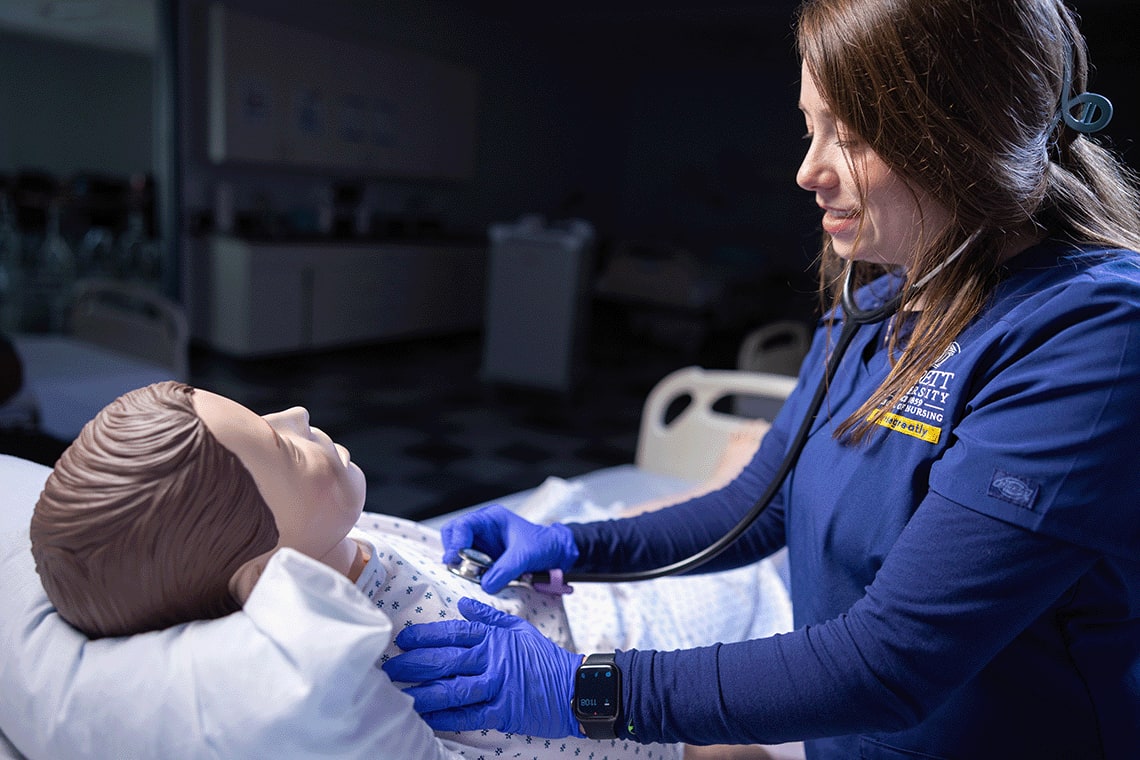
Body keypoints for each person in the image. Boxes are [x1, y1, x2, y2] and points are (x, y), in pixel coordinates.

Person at [381, 1, 1140, 758]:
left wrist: (581, 691)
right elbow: (761, 504)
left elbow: (892, 662)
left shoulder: (1089, 333)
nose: (809, 171)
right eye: (811, 127)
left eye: (851, 133)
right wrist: (571, 544)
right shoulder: (877, 304)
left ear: (970, 132)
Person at [29, 380, 790, 759]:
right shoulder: (416, 663)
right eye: (281, 447)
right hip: (631, 647)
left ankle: (730, 479)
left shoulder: (337, 539)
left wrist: (548, 557)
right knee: (754, 517)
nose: (296, 419)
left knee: (642, 516)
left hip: (564, 592)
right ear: (266, 575)